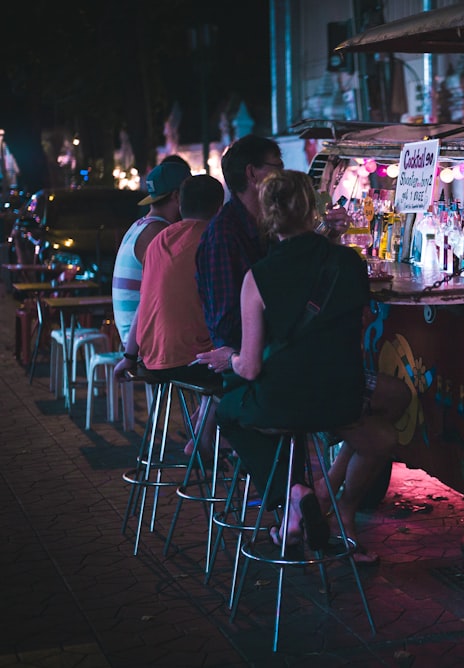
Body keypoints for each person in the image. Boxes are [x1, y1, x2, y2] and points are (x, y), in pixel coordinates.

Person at [197, 169, 369, 551]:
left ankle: (293, 493)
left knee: (229, 412)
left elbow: (252, 367)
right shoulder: (350, 263)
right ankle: (295, 510)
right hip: (345, 398)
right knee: (273, 410)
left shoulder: (258, 276)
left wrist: (231, 358)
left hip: (287, 401)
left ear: (266, 215)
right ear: (311, 209)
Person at [113, 175, 225, 443]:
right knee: (244, 370)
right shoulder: (214, 240)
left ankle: (201, 429)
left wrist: (129, 356)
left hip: (150, 360)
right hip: (191, 361)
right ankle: (206, 438)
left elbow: (145, 302)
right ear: (220, 208)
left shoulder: (159, 240)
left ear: (181, 203)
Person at [195, 135, 283, 363]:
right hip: (243, 360)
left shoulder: (270, 224)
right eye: (278, 167)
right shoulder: (224, 235)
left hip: (274, 350)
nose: (283, 176)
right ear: (252, 173)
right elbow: (227, 325)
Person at [112, 159, 192, 346]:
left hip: (133, 336)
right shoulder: (160, 233)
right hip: (144, 343)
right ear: (177, 196)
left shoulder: (140, 226)